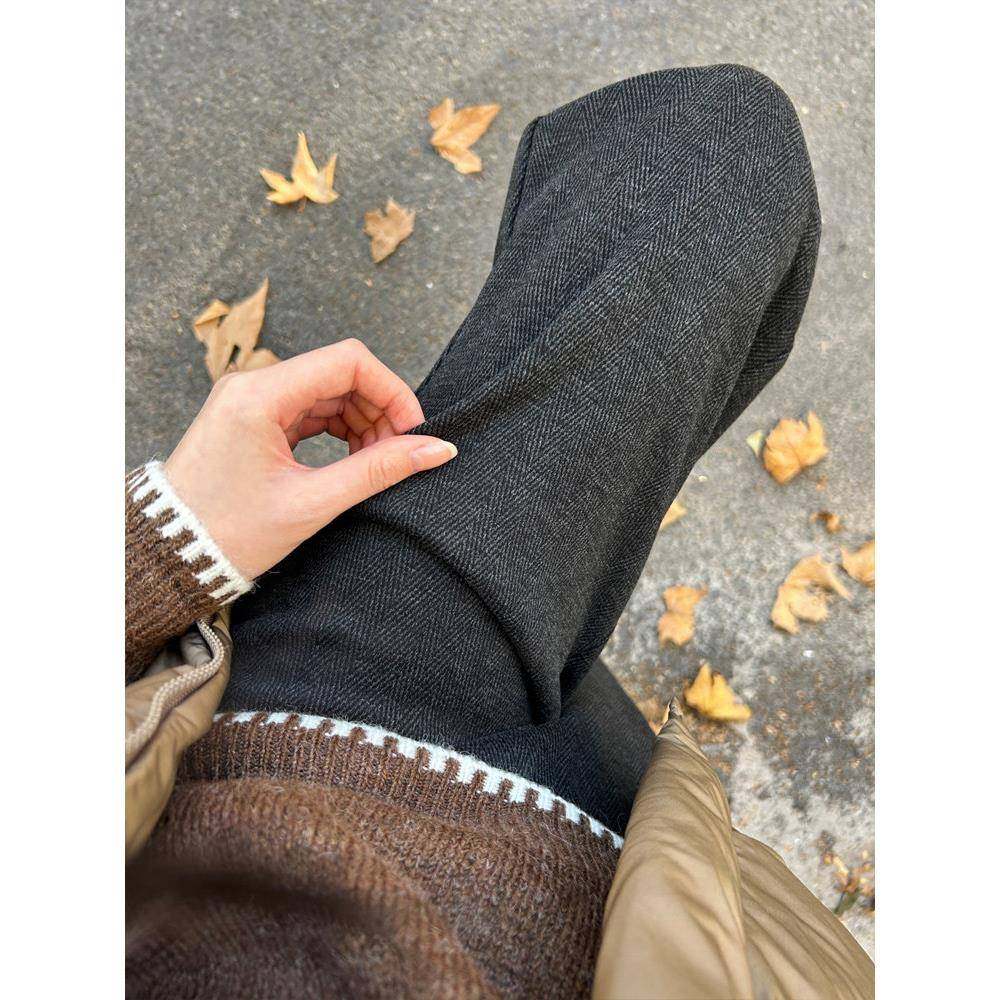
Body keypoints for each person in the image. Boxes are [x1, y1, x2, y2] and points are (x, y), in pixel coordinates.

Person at [125, 65, 874, 998]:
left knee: (712, 152)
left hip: (285, 750)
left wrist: (165, 548)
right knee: (715, 154)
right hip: (633, 889)